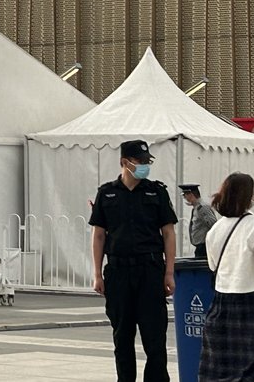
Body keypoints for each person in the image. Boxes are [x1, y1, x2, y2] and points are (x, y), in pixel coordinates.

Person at [89, 139, 176, 382]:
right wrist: (97, 273)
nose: (144, 166)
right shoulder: (107, 193)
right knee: (122, 337)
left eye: (147, 161)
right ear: (124, 163)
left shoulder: (156, 192)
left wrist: (169, 272)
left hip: (150, 270)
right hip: (118, 272)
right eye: (139, 161)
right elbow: (98, 235)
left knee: (155, 338)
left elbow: (168, 233)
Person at [198, 172, 254, 381]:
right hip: (253, 300)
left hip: (222, 301)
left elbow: (212, 264)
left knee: (221, 368)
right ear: (247, 196)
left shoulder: (216, 229)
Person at [178, 184, 218, 258]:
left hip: (204, 247)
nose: (185, 198)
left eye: (185, 195)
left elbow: (214, 225)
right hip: (200, 247)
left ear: (191, 194)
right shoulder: (196, 208)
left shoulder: (202, 208)